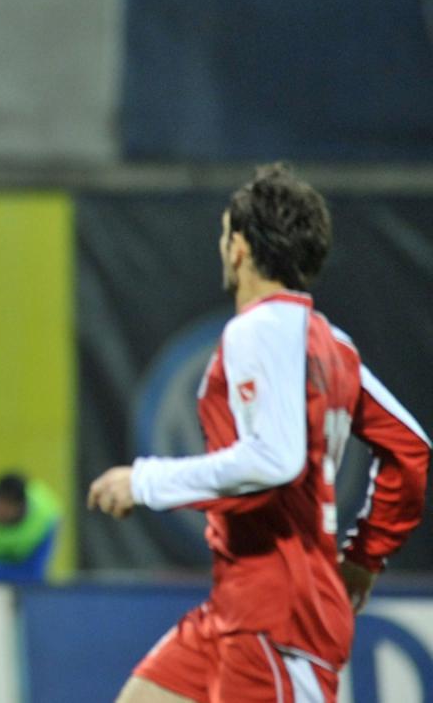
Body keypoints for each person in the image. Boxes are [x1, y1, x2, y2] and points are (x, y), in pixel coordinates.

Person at [88, 163, 430, 703]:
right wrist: (365, 557)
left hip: (278, 619)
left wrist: (146, 481)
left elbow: (275, 460)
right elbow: (411, 449)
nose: (223, 247)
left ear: (241, 247)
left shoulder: (256, 329)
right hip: (240, 605)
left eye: (226, 233)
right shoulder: (333, 344)